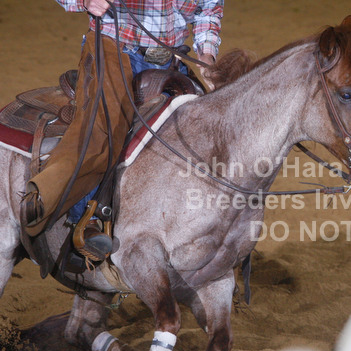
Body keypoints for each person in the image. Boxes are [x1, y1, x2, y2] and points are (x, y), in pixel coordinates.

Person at [23, 0, 223, 261]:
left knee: (207, 131)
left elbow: (209, 9)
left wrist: (206, 55)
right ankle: (80, 217)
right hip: (114, 48)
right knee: (104, 127)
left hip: (171, 58)